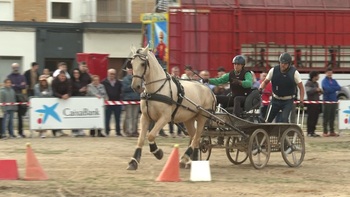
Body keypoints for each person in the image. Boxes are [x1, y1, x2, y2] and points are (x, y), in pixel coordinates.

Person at [259, 52, 305, 123]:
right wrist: (260, 88)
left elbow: (301, 88)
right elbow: (265, 82)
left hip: (288, 101)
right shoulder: (273, 70)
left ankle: (285, 133)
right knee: (267, 120)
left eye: (285, 63)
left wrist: (301, 101)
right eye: (281, 63)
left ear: (289, 64)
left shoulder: (294, 73)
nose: (283, 65)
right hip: (275, 99)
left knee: (284, 119)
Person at [7, 63, 27, 138]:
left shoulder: (22, 76)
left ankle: (20, 132)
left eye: (17, 67)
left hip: (20, 98)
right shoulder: (9, 77)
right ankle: (11, 133)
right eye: (14, 67)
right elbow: (10, 86)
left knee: (20, 116)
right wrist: (19, 85)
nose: (16, 68)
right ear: (12, 68)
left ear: (19, 67)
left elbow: (24, 86)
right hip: (11, 97)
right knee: (10, 116)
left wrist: (15, 85)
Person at [102, 69, 123, 137]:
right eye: (111, 74)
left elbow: (121, 91)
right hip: (108, 103)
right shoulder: (104, 82)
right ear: (108, 74)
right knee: (107, 118)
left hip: (117, 103)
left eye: (113, 74)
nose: (112, 75)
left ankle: (118, 131)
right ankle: (107, 131)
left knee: (118, 118)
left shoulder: (119, 82)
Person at [51, 70, 72, 137]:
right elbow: (54, 92)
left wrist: (68, 95)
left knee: (62, 116)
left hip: (65, 100)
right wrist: (61, 96)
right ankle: (55, 131)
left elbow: (70, 90)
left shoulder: (68, 81)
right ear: (59, 75)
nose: (62, 77)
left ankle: (61, 130)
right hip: (56, 100)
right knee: (55, 116)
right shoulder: (54, 81)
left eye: (64, 76)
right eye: (61, 76)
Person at [322, 67, 340, 137]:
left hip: (334, 101)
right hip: (327, 101)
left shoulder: (334, 81)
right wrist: (333, 88)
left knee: (332, 117)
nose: (330, 74)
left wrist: (332, 88)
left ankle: (332, 131)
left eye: (331, 73)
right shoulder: (324, 81)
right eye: (328, 73)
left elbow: (339, 87)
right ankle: (325, 131)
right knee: (326, 117)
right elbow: (327, 88)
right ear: (326, 73)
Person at [122, 68, 140, 137]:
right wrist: (133, 86)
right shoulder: (125, 79)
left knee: (135, 117)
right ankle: (128, 131)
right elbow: (125, 88)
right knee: (128, 116)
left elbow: (139, 88)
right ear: (127, 71)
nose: (131, 71)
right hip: (128, 99)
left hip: (136, 99)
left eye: (132, 70)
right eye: (129, 70)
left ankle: (134, 131)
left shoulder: (137, 79)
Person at [71, 68, 87, 137]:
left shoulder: (81, 81)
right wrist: (79, 90)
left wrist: (84, 90)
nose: (76, 74)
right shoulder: (71, 81)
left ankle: (81, 129)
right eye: (75, 73)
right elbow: (71, 90)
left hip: (81, 100)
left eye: (77, 73)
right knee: (74, 115)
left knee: (81, 114)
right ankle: (74, 130)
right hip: (74, 100)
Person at [305, 71, 322, 137]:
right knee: (311, 118)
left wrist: (320, 91)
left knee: (315, 118)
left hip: (316, 103)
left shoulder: (317, 83)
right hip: (311, 103)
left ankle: (313, 131)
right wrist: (316, 90)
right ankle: (309, 132)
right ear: (314, 76)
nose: (318, 77)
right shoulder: (308, 83)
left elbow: (317, 92)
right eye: (318, 76)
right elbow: (308, 91)